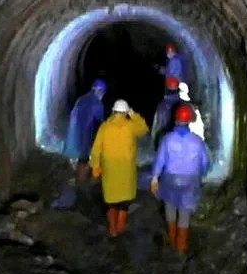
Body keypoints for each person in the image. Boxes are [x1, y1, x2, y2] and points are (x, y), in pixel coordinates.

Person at [149, 104, 210, 255]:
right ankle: (181, 247)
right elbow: (206, 163)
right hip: (190, 180)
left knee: (170, 208)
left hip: (170, 179)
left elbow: (160, 161)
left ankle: (171, 239)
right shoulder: (197, 141)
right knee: (184, 213)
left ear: (175, 119)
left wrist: (155, 178)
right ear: (189, 120)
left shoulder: (167, 139)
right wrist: (200, 174)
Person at [90, 99, 149, 237]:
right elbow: (144, 128)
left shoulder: (104, 127)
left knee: (111, 200)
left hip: (110, 168)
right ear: (125, 112)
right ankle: (121, 223)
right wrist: (133, 114)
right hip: (126, 169)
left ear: (113, 111)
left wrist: (95, 166)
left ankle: (112, 228)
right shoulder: (131, 126)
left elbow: (96, 149)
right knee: (125, 198)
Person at [62, 79, 107, 181]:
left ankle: (80, 178)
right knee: (84, 159)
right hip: (85, 136)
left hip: (73, 136)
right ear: (100, 92)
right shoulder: (97, 104)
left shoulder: (81, 99)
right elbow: (100, 124)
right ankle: (84, 182)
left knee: (81, 159)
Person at [150, 76, 181, 151]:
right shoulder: (183, 104)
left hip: (165, 139)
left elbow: (157, 126)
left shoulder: (162, 106)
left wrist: (154, 142)